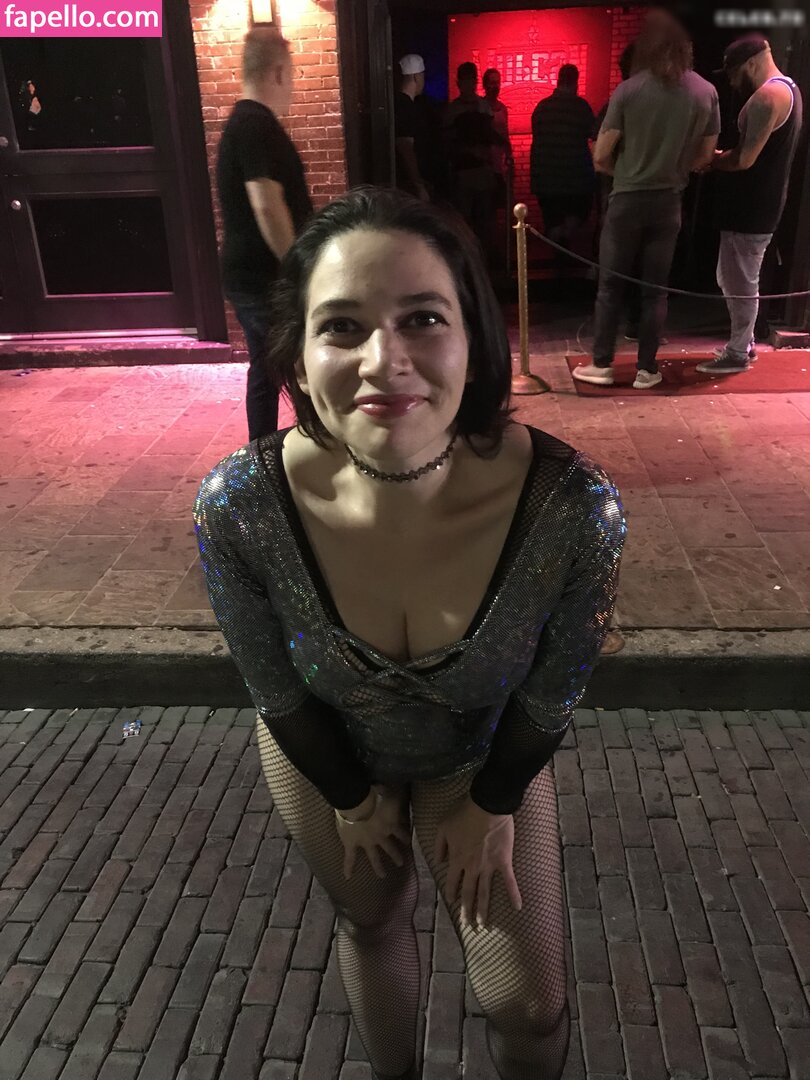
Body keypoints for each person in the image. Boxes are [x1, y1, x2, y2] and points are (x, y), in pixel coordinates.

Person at [194, 187, 626, 1080]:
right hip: (325, 748)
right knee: (370, 919)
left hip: (482, 750)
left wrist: (494, 802)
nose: (384, 361)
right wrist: (352, 798)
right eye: (342, 327)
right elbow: (276, 690)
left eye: (423, 318)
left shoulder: (571, 507)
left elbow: (552, 694)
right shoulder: (240, 506)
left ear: (474, 338)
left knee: (528, 1005)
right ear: (297, 351)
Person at [574, 11, 719, 390]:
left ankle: (602, 364)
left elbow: (600, 156)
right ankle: (646, 369)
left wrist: (627, 169)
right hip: (669, 201)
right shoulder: (705, 92)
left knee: (610, 286)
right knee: (655, 291)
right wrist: (675, 166)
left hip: (626, 200)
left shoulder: (629, 91)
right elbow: (705, 156)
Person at [216, 27, 313, 440]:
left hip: (251, 276)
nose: (292, 86)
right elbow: (266, 203)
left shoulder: (245, 123)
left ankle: (262, 452)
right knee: (304, 363)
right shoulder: (256, 125)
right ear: (278, 72)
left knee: (268, 368)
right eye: (292, 74)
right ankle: (316, 445)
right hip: (265, 279)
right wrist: (298, 268)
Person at [696, 35, 803, 376]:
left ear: (752, 63)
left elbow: (744, 159)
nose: (731, 81)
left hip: (752, 206)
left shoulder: (767, 97)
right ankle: (744, 344)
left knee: (739, 281)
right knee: (734, 276)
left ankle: (738, 352)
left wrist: (710, 159)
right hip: (760, 203)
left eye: (734, 72)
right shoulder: (789, 89)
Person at [594, 44, 644, 341]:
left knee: (617, 274)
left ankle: (604, 350)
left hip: (622, 193)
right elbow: (600, 156)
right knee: (630, 271)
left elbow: (600, 156)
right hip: (625, 194)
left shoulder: (620, 101)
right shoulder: (624, 102)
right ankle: (629, 333)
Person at [530, 65, 596, 251]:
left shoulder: (542, 108)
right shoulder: (581, 107)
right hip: (575, 179)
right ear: (575, 82)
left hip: (546, 179)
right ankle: (565, 238)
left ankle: (558, 251)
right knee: (579, 213)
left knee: (552, 220)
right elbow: (594, 134)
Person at [445, 62, 499, 267]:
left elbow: (490, 135)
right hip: (464, 172)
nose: (470, 85)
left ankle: (482, 265)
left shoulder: (482, 107)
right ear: (459, 83)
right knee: (465, 222)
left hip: (482, 171)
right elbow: (447, 143)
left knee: (485, 222)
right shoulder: (453, 110)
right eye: (466, 81)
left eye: (472, 81)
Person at [394, 54, 430, 201]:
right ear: (416, 76)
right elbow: (406, 147)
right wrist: (418, 185)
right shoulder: (405, 106)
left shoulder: (400, 103)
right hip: (409, 184)